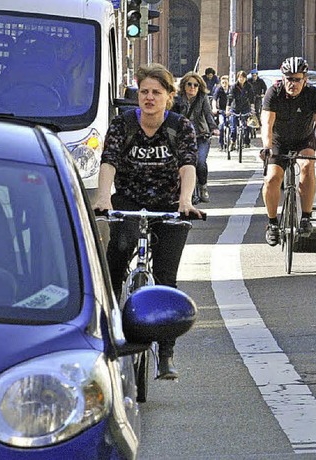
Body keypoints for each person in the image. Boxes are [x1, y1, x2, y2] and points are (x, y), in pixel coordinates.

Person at [93, 63, 203, 380]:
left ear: (169, 96)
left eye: (156, 92)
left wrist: (185, 202)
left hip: (170, 205)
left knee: (167, 277)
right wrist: (104, 197)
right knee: (118, 254)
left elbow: (187, 166)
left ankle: (166, 355)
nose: (149, 98)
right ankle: (110, 330)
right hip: (130, 199)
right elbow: (109, 161)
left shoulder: (180, 127)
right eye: (144, 92)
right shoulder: (123, 124)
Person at [260, 56, 316, 246]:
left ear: (304, 79)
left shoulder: (314, 95)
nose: (292, 83)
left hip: (303, 140)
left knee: (307, 166)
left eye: (297, 79)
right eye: (289, 79)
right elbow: (267, 123)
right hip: (278, 141)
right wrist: (266, 147)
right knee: (272, 178)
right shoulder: (273, 92)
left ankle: (306, 217)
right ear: (283, 78)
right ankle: (272, 223)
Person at [172, 71, 219, 203]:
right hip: (183, 137)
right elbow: (172, 117)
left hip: (201, 135)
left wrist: (214, 128)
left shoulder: (202, 97)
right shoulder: (177, 99)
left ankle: (203, 186)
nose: (193, 87)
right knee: (180, 163)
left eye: (196, 85)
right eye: (190, 84)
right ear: (184, 85)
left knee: (200, 163)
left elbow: (208, 114)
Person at [226, 70, 255, 151]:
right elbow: (230, 98)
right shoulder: (234, 86)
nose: (241, 79)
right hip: (235, 108)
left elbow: (252, 98)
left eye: (243, 77)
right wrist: (228, 109)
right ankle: (233, 142)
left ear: (245, 78)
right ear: (237, 78)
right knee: (233, 127)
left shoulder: (248, 86)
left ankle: (246, 141)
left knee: (246, 126)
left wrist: (252, 109)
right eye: (240, 77)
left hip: (245, 108)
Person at [211, 74, 230, 151]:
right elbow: (214, 99)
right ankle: (221, 144)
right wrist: (214, 108)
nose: (224, 84)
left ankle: (233, 141)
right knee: (221, 125)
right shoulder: (219, 89)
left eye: (226, 82)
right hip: (222, 110)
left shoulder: (232, 89)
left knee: (234, 126)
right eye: (223, 83)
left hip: (231, 111)